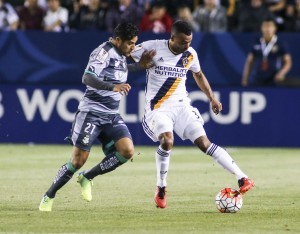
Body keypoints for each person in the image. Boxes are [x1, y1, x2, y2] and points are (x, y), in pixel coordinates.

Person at [131, 20, 254, 209]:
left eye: (189, 41)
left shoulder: (190, 54)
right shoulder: (152, 47)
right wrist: (139, 64)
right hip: (158, 108)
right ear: (172, 38)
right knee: (167, 140)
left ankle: (242, 178)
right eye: (182, 42)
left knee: (204, 143)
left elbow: (198, 74)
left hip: (182, 106)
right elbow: (124, 54)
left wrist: (212, 98)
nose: (186, 46)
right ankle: (161, 188)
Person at [39, 22, 155, 211]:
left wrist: (139, 66)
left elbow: (119, 70)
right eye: (130, 44)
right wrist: (113, 87)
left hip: (111, 114)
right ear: (118, 40)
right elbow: (87, 77)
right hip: (91, 113)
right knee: (77, 160)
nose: (133, 47)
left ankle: (87, 177)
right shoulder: (104, 51)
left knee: (127, 151)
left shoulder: (121, 54)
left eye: (135, 43)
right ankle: (49, 195)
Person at [242, 18, 292, 86]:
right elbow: (249, 61)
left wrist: (281, 73)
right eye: (265, 26)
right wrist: (245, 79)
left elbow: (288, 62)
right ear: (261, 28)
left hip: (274, 79)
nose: (267, 29)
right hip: (258, 78)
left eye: (270, 26)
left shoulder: (280, 43)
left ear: (275, 28)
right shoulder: (256, 42)